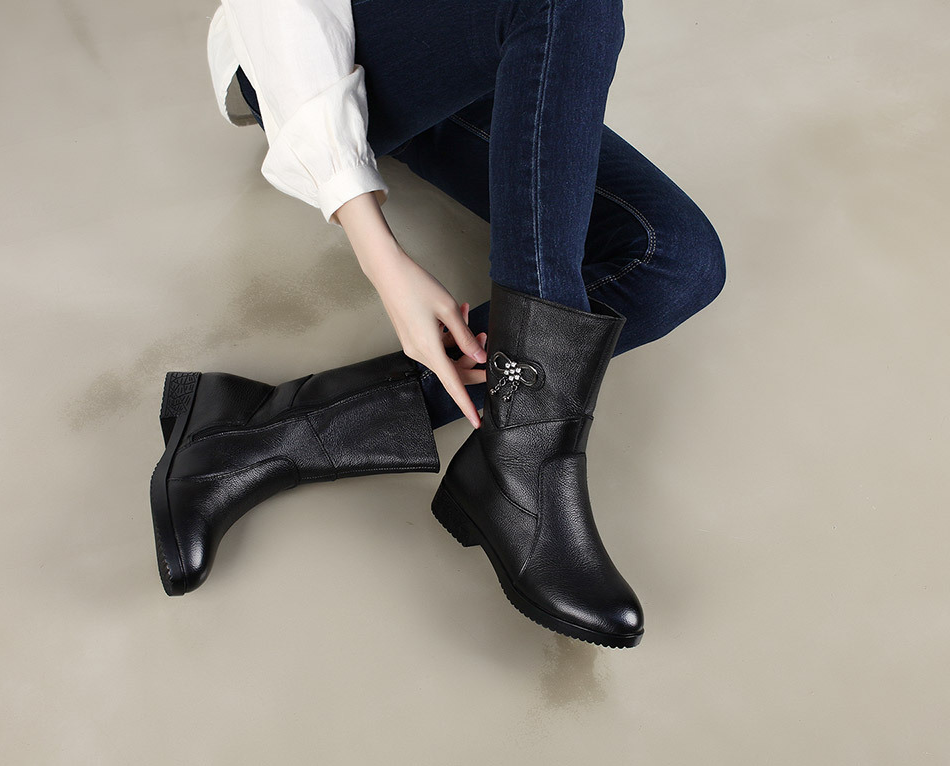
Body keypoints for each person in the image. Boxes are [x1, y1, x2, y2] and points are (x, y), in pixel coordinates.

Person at [149, 0, 726, 649]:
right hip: (310, 57)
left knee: (678, 261)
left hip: (472, 34)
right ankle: (527, 464)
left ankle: (256, 434)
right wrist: (383, 260)